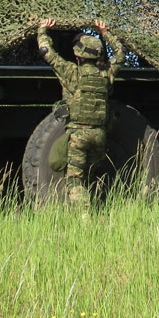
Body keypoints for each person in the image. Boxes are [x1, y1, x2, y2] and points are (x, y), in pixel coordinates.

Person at [36, 18, 124, 205]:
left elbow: (46, 52)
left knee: (74, 181)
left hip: (78, 135)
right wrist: (105, 32)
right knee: (89, 178)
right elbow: (120, 55)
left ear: (78, 55)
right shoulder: (105, 75)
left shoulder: (72, 73)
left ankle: (84, 216)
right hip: (99, 135)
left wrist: (43, 30)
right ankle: (93, 207)